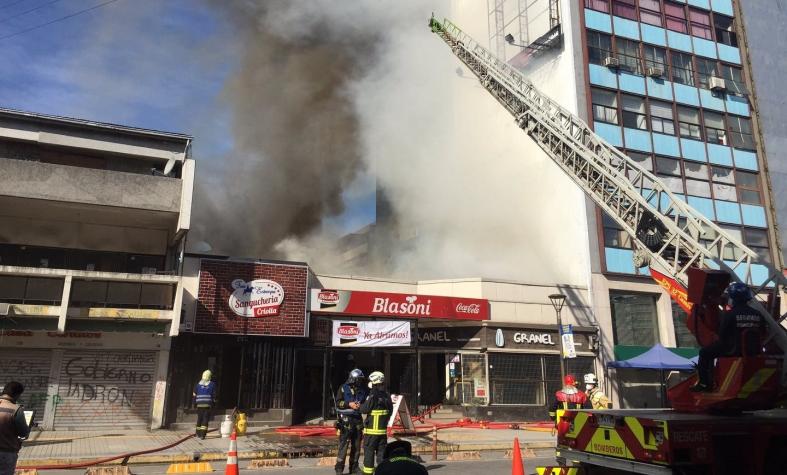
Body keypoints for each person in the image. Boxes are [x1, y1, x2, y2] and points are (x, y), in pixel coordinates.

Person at [691, 282, 765, 392]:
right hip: (754, 351)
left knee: (705, 353)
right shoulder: (758, 314)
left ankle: (704, 383)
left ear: (733, 298)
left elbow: (722, 334)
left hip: (733, 349)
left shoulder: (730, 314)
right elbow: (763, 332)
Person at [334, 369, 367, 475]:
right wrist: (349, 404)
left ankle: (354, 467)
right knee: (343, 446)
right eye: (359, 379)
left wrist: (360, 406)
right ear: (353, 378)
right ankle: (339, 469)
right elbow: (338, 403)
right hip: (346, 421)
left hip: (357, 420)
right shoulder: (343, 388)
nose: (360, 381)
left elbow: (366, 403)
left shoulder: (363, 389)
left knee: (357, 446)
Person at [360, 371, 393, 475]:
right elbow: (390, 411)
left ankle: (367, 473)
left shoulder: (373, 395)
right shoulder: (387, 395)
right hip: (382, 433)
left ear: (374, 381)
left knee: (369, 454)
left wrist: (359, 405)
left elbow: (364, 409)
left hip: (371, 433)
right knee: (381, 455)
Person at [0, 381, 31, 475]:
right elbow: (23, 434)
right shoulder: (16, 409)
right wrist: (28, 427)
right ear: (17, 394)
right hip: (6, 453)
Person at [192, 369, 216, 439]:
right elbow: (214, 395)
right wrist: (214, 403)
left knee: (199, 419)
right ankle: (202, 435)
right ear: (210, 376)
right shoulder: (212, 384)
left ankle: (197, 433)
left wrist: (194, 403)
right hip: (207, 405)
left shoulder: (198, 384)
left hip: (199, 405)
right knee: (205, 420)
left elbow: (194, 394)